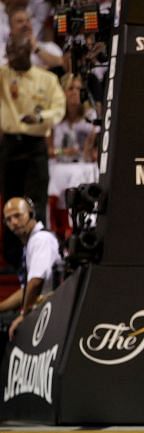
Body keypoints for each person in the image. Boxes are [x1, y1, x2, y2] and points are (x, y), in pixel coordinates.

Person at [0, 37, 65, 266]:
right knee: (10, 201)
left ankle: (38, 256)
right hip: (9, 145)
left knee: (34, 202)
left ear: (27, 52)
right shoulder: (4, 74)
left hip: (35, 145)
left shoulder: (46, 79)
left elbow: (59, 108)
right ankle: (12, 259)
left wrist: (39, 117)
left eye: (15, 53)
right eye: (7, 54)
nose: (10, 59)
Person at [1, 198, 60, 339]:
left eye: (17, 216)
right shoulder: (31, 242)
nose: (13, 223)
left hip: (51, 312)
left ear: (31, 213)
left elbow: (35, 283)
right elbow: (26, 290)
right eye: (8, 220)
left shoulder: (41, 240)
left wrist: (23, 315)